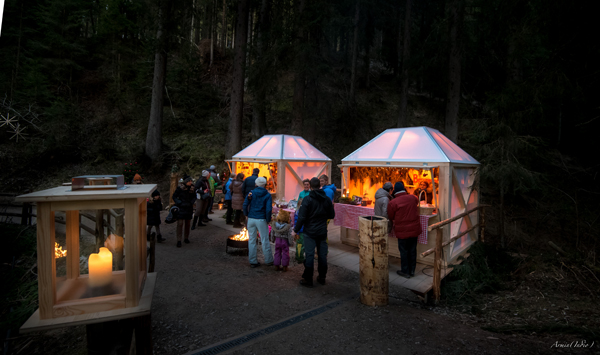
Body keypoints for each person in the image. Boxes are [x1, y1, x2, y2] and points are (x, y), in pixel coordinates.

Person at [293, 177, 335, 287]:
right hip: (321, 230)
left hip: (310, 231)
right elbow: (332, 215)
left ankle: (308, 279)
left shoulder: (307, 199)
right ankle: (322, 277)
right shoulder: (326, 199)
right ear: (320, 186)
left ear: (310, 186)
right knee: (322, 255)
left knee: (310, 255)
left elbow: (301, 217)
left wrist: (295, 230)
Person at [387, 181, 422, 278]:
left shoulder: (393, 202)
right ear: (404, 189)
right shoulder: (413, 198)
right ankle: (412, 271)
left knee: (404, 251)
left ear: (395, 191)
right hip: (414, 230)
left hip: (402, 231)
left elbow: (391, 216)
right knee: (412, 250)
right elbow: (417, 201)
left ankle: (405, 271)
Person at [243, 177, 274, 268]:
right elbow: (268, 209)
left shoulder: (251, 193)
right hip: (261, 219)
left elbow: (245, 204)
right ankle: (268, 260)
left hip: (251, 217)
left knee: (252, 240)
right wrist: (268, 220)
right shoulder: (267, 195)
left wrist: (246, 214)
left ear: (256, 184)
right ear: (264, 184)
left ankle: (253, 260)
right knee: (264, 240)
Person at [172, 176, 196, 247]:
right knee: (180, 223)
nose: (190, 182)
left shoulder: (192, 189)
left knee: (188, 224)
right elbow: (174, 196)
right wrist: (179, 202)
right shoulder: (180, 188)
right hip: (181, 207)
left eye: (191, 181)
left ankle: (186, 237)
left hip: (188, 207)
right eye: (189, 181)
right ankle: (179, 239)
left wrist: (191, 202)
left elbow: (194, 196)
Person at [293, 198, 305, 264]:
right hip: (301, 231)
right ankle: (299, 257)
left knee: (299, 244)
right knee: (300, 245)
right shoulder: (301, 212)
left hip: (299, 231)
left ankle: (298, 255)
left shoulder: (297, 211)